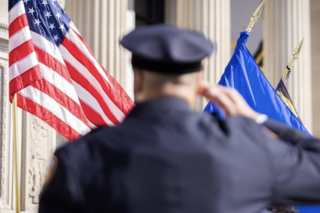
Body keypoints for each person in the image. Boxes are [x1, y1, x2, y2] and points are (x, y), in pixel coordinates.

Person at [38, 24, 320, 213]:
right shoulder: (248, 151)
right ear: (199, 82)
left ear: (138, 79)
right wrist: (256, 119)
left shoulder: (81, 157)